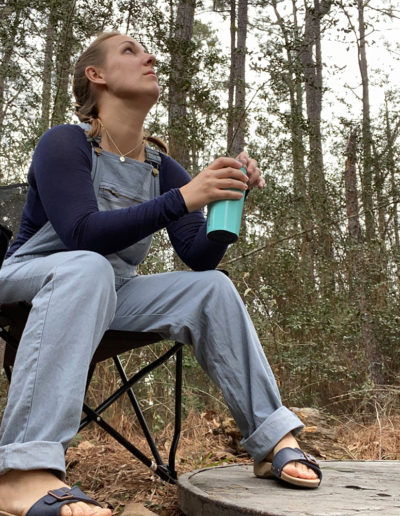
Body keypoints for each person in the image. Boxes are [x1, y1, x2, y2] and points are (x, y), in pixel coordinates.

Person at [0, 31, 321, 516]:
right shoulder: (64, 143)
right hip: (34, 277)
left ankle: (272, 436)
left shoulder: (160, 169)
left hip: (112, 290)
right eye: (130, 51)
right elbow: (82, 233)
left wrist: (226, 203)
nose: (149, 57)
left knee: (211, 289)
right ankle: (20, 474)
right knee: (87, 267)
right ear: (97, 75)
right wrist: (186, 196)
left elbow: (199, 256)